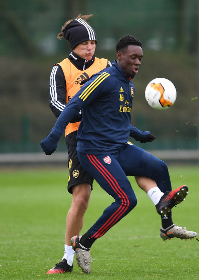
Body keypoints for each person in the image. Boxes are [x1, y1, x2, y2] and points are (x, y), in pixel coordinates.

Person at [41, 34, 197, 274]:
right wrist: (53, 136)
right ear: (119, 56)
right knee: (126, 201)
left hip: (119, 147)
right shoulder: (103, 79)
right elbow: (73, 106)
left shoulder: (129, 86)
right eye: (133, 57)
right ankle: (84, 243)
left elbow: (116, 120)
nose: (138, 62)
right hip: (94, 150)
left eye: (141, 58)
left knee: (159, 168)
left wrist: (138, 134)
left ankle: (167, 226)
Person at [47, 15, 159, 275]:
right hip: (80, 138)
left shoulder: (106, 64)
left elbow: (118, 97)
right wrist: (80, 115)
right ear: (73, 45)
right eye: (84, 43)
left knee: (141, 166)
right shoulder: (61, 68)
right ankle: (67, 259)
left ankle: (161, 202)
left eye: (93, 42)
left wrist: (129, 129)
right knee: (82, 198)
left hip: (110, 135)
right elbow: (56, 104)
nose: (90, 47)